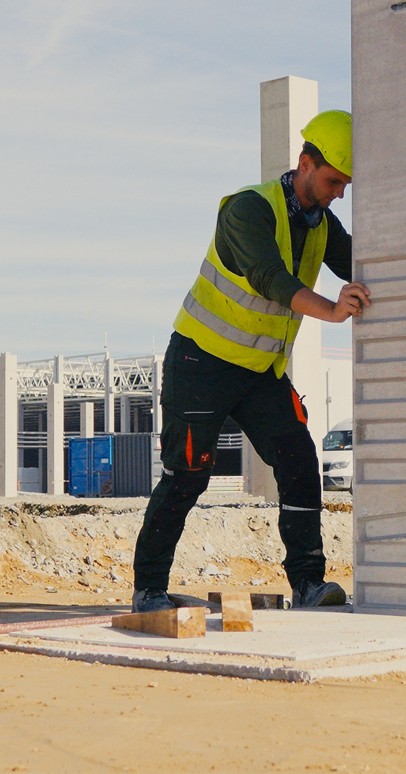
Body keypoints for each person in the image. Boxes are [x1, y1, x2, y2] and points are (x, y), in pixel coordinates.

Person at [132, 110, 370, 612]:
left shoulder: (322, 225)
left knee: (301, 463)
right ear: (305, 164)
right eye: (332, 181)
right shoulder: (247, 210)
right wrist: (331, 308)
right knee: (188, 474)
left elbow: (370, 266)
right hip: (201, 362)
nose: (338, 194)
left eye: (345, 185)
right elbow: (269, 278)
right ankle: (148, 590)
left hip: (261, 372)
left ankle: (308, 584)